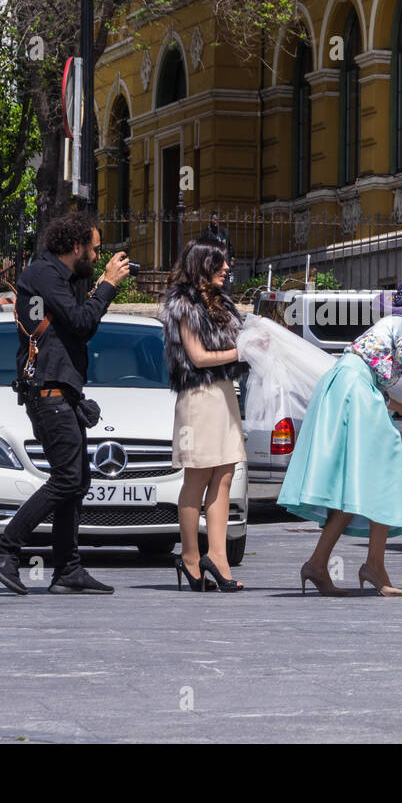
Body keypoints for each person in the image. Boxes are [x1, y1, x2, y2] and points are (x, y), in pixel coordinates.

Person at [283, 277, 402, 597]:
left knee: (362, 481)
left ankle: (332, 563)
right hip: (354, 388)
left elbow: (372, 366)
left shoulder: (393, 321)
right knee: (379, 469)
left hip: (351, 385)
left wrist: (394, 404)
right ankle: (363, 565)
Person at [0, 213, 130, 595]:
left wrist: (98, 283)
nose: (97, 255)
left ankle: (67, 569)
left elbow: (78, 318)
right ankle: (4, 550)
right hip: (49, 394)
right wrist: (107, 285)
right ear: (76, 247)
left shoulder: (62, 278)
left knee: (77, 482)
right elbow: (81, 322)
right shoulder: (42, 275)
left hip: (64, 393)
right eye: (94, 248)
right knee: (66, 479)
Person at [159, 238, 249, 593]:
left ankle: (218, 556)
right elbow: (197, 358)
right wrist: (240, 351)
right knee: (197, 479)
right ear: (202, 266)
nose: (227, 269)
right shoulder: (182, 304)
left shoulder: (222, 303)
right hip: (198, 396)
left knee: (225, 475)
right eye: (220, 263)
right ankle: (191, 557)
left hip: (223, 394)